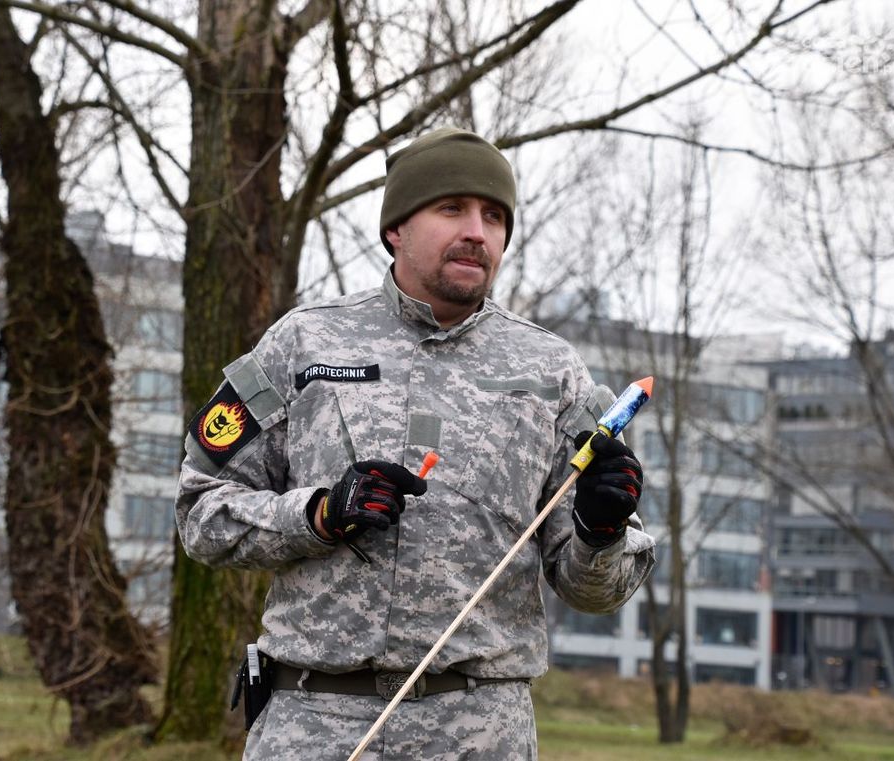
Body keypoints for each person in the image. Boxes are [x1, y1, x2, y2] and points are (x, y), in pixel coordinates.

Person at [176, 127, 655, 760]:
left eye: (493, 216)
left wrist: (600, 532)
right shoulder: (304, 346)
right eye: (451, 208)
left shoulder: (555, 373)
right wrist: (319, 514)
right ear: (396, 227)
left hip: (481, 733)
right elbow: (201, 512)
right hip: (315, 724)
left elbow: (597, 591)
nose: (477, 232)